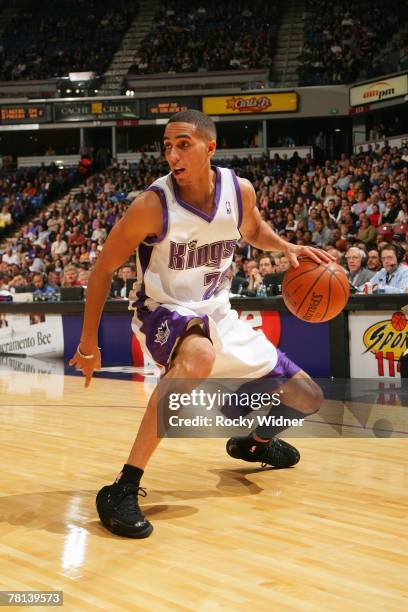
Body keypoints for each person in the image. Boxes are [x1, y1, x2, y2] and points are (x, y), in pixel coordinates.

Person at [69, 110, 333, 539]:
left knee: (308, 396)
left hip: (217, 312)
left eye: (183, 144)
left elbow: (253, 229)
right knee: (199, 356)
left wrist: (284, 244)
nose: (172, 154)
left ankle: (254, 444)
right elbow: (101, 270)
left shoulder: (238, 190)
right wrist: (87, 344)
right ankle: (123, 487)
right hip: (162, 308)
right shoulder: (152, 205)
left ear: (210, 147)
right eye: (167, 146)